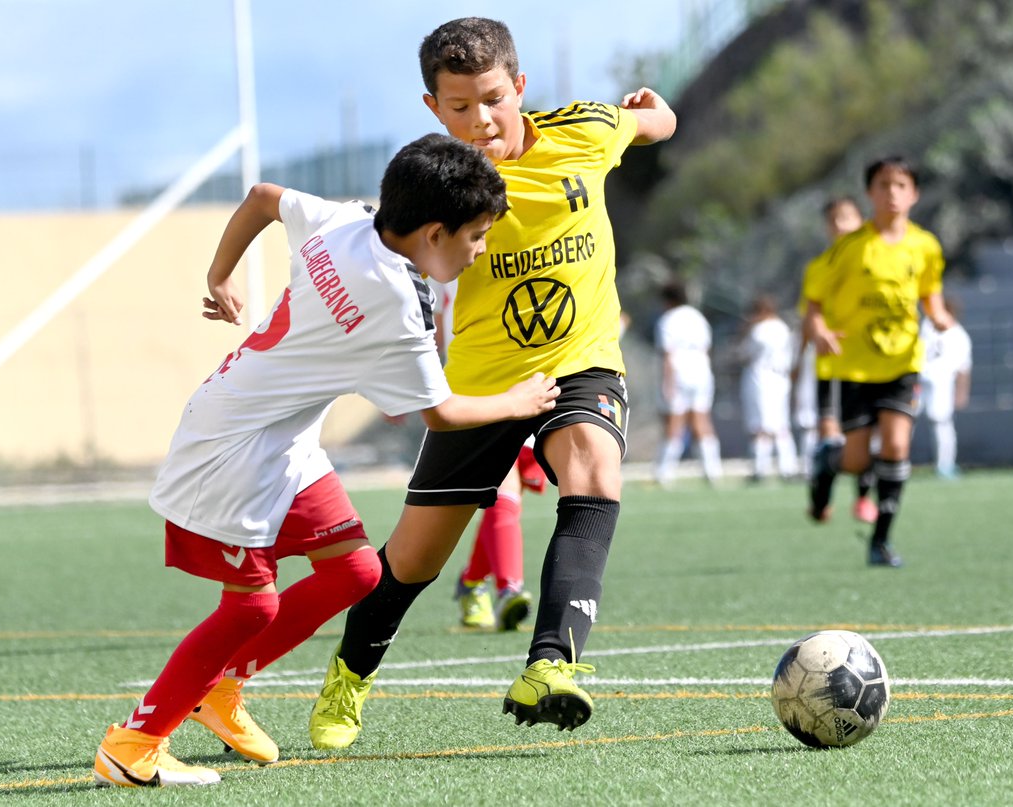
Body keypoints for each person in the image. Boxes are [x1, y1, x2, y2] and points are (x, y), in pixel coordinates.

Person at [91, 134, 560, 788]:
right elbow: (441, 413)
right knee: (250, 609)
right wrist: (517, 400)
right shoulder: (397, 305)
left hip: (279, 436)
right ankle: (134, 742)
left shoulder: (347, 216)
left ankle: (219, 689)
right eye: (476, 236)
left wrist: (219, 273)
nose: (480, 250)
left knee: (354, 571)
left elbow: (261, 199)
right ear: (432, 233)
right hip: (235, 449)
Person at [306, 16, 676, 749]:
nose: (480, 121)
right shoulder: (436, 184)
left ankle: (549, 666)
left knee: (595, 472)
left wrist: (652, 106)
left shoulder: (584, 130)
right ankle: (349, 676)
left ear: (521, 87)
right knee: (414, 559)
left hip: (581, 360)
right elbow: (380, 263)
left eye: (493, 99)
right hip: (480, 382)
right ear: (433, 110)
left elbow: (655, 122)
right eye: (459, 108)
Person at [804, 156, 953, 568]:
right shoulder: (851, 247)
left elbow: (930, 293)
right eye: (884, 185)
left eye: (901, 186)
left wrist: (939, 317)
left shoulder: (925, 246)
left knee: (897, 444)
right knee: (855, 461)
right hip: (854, 366)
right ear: (870, 193)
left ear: (914, 194)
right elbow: (815, 298)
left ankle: (881, 540)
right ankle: (827, 462)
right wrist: (817, 327)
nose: (892, 193)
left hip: (903, 362)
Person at [432, 278, 544, 631]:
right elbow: (434, 325)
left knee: (506, 499)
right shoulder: (447, 249)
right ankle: (509, 588)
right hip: (473, 390)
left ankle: (471, 583)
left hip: (525, 383)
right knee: (504, 492)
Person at [792, 197, 877, 520]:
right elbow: (808, 317)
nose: (841, 225)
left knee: (864, 436)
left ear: (861, 220)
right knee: (830, 436)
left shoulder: (874, 261)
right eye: (834, 220)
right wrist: (799, 359)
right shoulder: (820, 267)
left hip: (867, 365)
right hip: (830, 367)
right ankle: (822, 498)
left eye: (848, 218)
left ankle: (863, 498)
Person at [653, 279, 724, 485]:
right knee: (701, 419)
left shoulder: (667, 320)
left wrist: (667, 382)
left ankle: (664, 472)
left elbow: (668, 354)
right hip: (701, 372)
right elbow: (706, 348)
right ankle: (713, 470)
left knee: (675, 422)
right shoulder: (698, 317)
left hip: (679, 373)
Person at [738, 294, 799, 481]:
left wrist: (745, 330)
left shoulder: (759, 330)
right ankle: (788, 467)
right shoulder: (784, 328)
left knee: (761, 425)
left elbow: (743, 354)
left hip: (761, 377)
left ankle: (760, 467)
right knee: (781, 423)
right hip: (782, 377)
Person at [918, 297, 972, 479]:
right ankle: (944, 466)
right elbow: (964, 369)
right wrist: (962, 392)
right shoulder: (958, 334)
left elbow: (963, 368)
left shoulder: (928, 326)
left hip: (929, 380)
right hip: (929, 380)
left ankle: (945, 465)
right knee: (938, 423)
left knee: (939, 423)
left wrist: (961, 393)